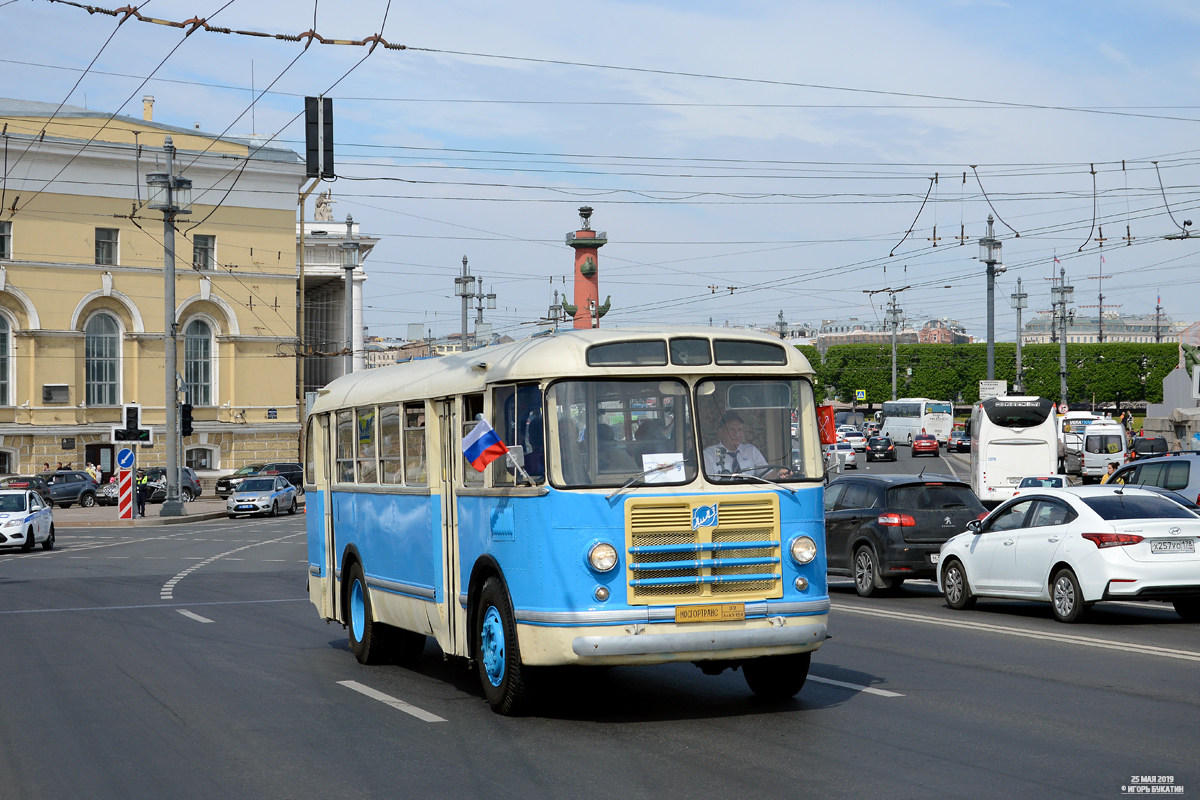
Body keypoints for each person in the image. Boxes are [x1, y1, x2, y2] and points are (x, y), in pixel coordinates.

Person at [703, 411, 791, 480]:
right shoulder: (708, 455)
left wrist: (779, 474)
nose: (736, 434)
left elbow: (767, 475)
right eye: (732, 429)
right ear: (721, 432)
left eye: (740, 430)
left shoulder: (751, 451)